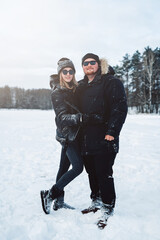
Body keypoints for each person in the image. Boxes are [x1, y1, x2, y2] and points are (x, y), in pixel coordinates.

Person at [40, 58, 103, 214]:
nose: (68, 74)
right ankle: (50, 194)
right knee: (77, 167)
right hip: (68, 136)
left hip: (75, 134)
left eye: (71, 71)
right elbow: (61, 118)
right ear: (60, 73)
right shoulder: (57, 92)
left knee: (63, 167)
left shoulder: (73, 88)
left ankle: (59, 202)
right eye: (65, 71)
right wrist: (81, 118)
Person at [76, 53, 127, 222]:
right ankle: (95, 200)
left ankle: (107, 206)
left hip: (105, 137)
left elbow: (119, 108)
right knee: (91, 172)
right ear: (82, 67)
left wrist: (112, 131)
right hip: (86, 139)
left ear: (99, 64)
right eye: (85, 63)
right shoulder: (82, 85)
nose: (89, 65)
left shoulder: (110, 82)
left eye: (92, 62)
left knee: (103, 172)